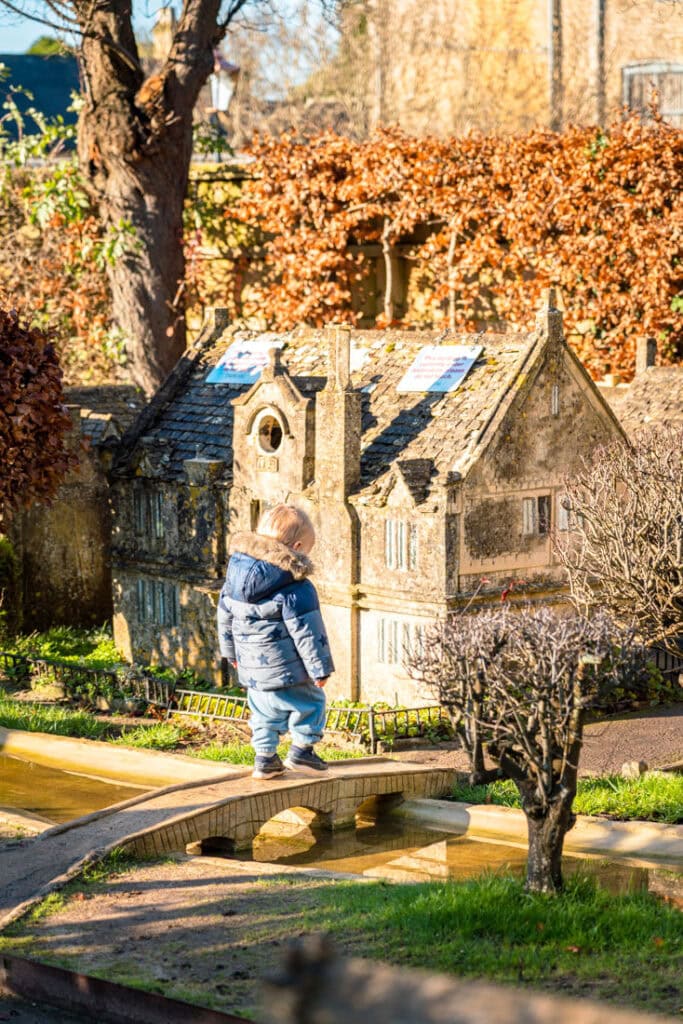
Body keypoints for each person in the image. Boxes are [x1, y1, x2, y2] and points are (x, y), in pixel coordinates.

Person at [217, 504, 335, 779]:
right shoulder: (296, 587)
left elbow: (224, 620)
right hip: (288, 669)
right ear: (296, 547)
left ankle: (265, 759)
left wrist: (230, 654)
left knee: (262, 713)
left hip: (252, 669)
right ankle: (302, 752)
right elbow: (308, 632)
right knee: (311, 704)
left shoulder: (232, 581)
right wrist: (320, 669)